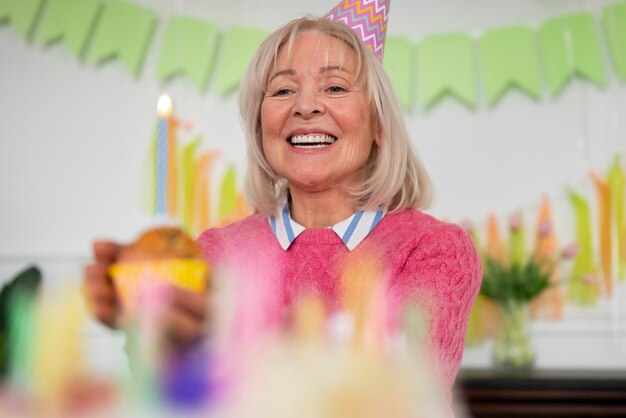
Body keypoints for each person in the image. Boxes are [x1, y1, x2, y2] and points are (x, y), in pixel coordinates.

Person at [83, 12, 481, 408]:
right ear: (260, 127)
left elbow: (397, 392)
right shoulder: (216, 251)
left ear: (379, 124)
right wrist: (150, 329)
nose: (306, 106)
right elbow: (173, 400)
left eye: (336, 87)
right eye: (283, 91)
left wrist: (227, 329)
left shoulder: (437, 250)